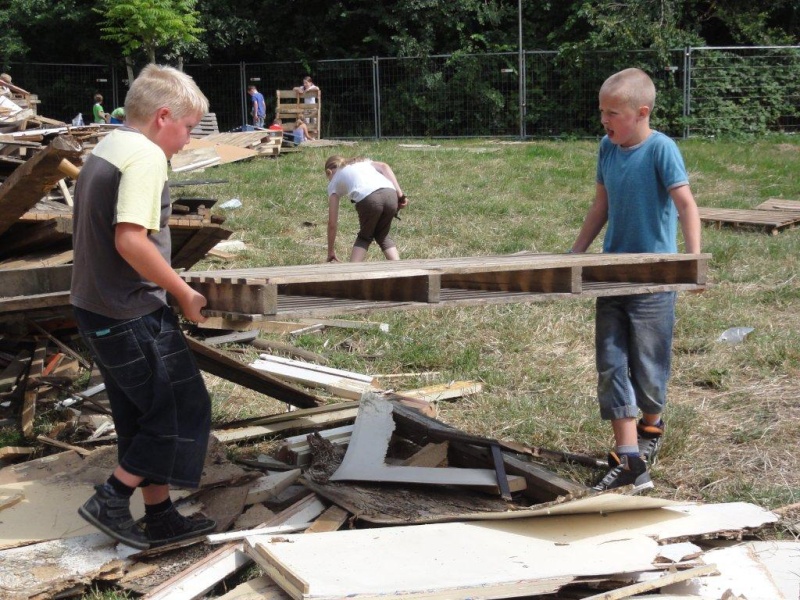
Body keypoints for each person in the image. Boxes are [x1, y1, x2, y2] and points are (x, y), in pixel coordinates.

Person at [71, 64, 217, 550]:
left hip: (96, 307)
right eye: (188, 127)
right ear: (162, 117)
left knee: (143, 414)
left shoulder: (107, 146)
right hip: (129, 310)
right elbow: (131, 240)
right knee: (181, 408)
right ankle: (111, 499)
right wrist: (183, 291)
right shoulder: (146, 157)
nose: (188, 140)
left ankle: (159, 514)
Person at [569, 67, 701, 493]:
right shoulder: (607, 148)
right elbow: (600, 205)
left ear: (641, 112)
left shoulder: (661, 149)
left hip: (654, 280)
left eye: (612, 113)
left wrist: (691, 261)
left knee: (648, 368)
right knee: (610, 361)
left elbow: (686, 206)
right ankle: (629, 459)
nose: (604, 120)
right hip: (612, 275)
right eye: (601, 112)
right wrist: (575, 254)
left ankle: (651, 427)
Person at [325, 155, 408, 263]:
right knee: (382, 235)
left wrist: (330, 251)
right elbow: (384, 166)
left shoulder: (334, 182)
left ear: (329, 172)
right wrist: (400, 195)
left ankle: (353, 275)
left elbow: (332, 223)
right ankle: (399, 270)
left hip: (369, 200)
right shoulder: (363, 163)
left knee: (364, 237)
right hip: (390, 194)